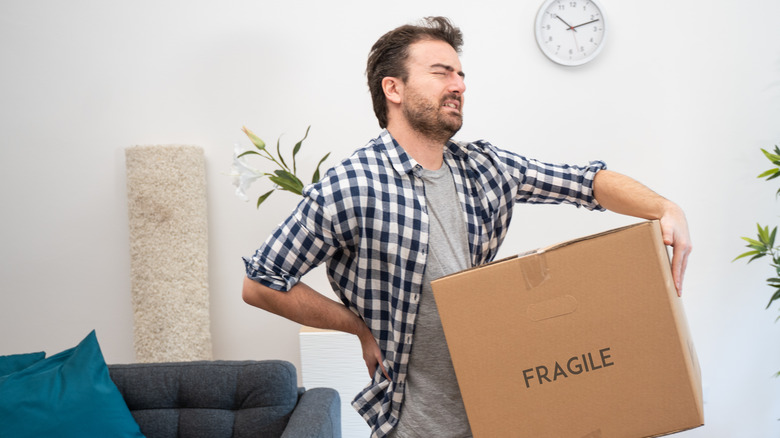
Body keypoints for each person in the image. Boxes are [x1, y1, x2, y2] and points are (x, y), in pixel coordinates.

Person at [242, 16, 691, 438]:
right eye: (441, 73)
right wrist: (357, 326)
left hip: (502, 404)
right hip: (419, 423)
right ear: (393, 88)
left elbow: (587, 182)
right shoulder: (351, 186)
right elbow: (260, 282)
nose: (458, 86)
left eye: (460, 76)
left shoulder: (485, 166)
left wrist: (665, 208)